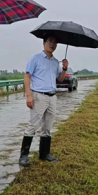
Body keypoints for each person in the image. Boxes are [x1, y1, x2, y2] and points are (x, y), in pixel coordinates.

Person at [19, 36, 69, 167]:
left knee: (47, 126)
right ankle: (24, 156)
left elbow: (60, 79)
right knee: (33, 125)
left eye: (55, 42)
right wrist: (28, 95)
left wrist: (64, 69)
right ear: (44, 43)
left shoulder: (55, 62)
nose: (52, 44)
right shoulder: (35, 59)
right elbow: (27, 77)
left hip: (52, 96)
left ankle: (45, 154)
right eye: (50, 41)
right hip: (39, 96)